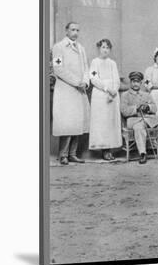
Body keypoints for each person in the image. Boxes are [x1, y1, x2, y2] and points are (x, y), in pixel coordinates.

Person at [120, 71, 158, 164]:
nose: (135, 84)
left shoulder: (146, 94)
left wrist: (148, 107)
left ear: (141, 83)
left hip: (148, 119)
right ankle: (143, 154)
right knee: (139, 128)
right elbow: (124, 111)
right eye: (133, 81)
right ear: (131, 82)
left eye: (138, 82)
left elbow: (155, 108)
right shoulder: (125, 95)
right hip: (134, 120)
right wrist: (136, 108)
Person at [51, 22, 90, 165]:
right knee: (67, 122)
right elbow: (58, 69)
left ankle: (73, 154)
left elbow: (86, 68)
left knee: (77, 122)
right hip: (65, 90)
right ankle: (63, 155)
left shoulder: (81, 48)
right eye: (73, 30)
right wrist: (76, 81)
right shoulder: (58, 47)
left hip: (80, 90)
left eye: (77, 30)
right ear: (66, 31)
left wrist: (85, 81)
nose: (75, 32)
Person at [88, 39, 121, 160]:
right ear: (99, 49)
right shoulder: (94, 62)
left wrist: (114, 90)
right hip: (100, 95)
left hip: (112, 95)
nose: (105, 50)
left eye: (107, 47)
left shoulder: (112, 63)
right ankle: (103, 149)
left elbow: (116, 79)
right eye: (103, 47)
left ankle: (110, 149)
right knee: (102, 122)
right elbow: (94, 79)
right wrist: (107, 88)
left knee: (110, 122)